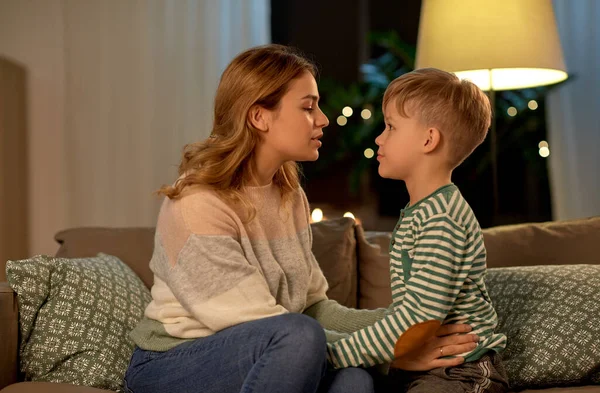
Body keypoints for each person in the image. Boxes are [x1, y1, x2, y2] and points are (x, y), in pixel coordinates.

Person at [122, 45, 480, 393]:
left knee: (356, 381)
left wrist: (413, 334)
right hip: (174, 362)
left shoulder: (287, 193)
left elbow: (313, 308)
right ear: (259, 116)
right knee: (301, 337)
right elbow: (270, 328)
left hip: (276, 346)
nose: (323, 119)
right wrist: (394, 352)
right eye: (308, 107)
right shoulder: (198, 203)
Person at [325, 68, 510, 393]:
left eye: (391, 127)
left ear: (428, 139)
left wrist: (336, 355)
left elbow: (418, 316)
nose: (380, 138)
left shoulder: (442, 218)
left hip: (460, 369)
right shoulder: (420, 212)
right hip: (422, 361)